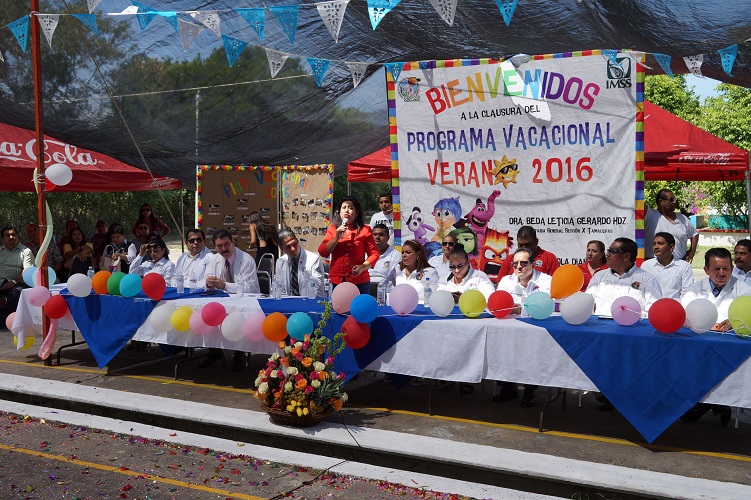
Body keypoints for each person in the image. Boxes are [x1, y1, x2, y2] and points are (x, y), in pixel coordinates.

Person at [679, 247, 749, 427]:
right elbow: (686, 312)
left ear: (732, 269)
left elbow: (746, 313)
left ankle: (715, 404)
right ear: (706, 270)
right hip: (699, 342)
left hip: (730, 345)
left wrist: (734, 320)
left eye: (726, 269)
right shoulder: (695, 288)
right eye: (716, 269)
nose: (722, 273)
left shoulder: (744, 289)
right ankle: (708, 403)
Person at [495, 248, 553, 407]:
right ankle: (507, 386)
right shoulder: (506, 280)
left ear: (533, 264)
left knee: (532, 350)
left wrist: (519, 308)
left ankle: (530, 390)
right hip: (509, 328)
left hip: (537, 328)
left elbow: (545, 304)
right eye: (515, 264)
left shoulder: (546, 280)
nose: (519, 267)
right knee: (500, 347)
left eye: (524, 263)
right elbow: (499, 304)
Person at [201, 229, 260, 370]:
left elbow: (249, 287)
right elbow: (208, 276)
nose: (223, 249)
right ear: (215, 247)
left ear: (233, 243)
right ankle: (213, 350)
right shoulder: (214, 259)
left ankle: (239, 352)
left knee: (238, 316)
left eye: (226, 244)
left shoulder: (246, 260)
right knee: (208, 312)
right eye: (219, 246)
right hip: (223, 299)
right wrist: (208, 282)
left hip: (245, 300)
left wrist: (224, 285)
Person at [318, 196, 379, 295]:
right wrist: (336, 237)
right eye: (344, 207)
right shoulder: (333, 228)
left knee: (359, 305)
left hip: (359, 281)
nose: (347, 210)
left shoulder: (365, 230)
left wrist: (362, 267)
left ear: (356, 212)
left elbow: (374, 254)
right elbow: (322, 252)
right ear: (339, 212)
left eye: (350, 208)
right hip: (337, 281)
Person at [586, 237, 663, 314]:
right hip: (601, 321)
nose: (607, 254)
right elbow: (587, 304)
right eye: (608, 250)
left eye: (612, 251)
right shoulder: (599, 276)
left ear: (626, 256)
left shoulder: (647, 279)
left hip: (635, 322)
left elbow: (654, 311)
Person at [644, 189, 699, 262]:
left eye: (675, 199)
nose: (674, 202)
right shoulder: (650, 215)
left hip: (678, 264)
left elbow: (694, 234)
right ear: (661, 202)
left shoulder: (682, 218)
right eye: (671, 200)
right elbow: (637, 201)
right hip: (653, 264)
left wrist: (692, 251)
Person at [641, 232, 694, 299]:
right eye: (654, 244)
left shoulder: (684, 267)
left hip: (675, 304)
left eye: (660, 243)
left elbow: (687, 293)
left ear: (671, 247)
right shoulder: (646, 266)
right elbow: (641, 290)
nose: (656, 247)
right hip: (652, 304)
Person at [0, 226, 34, 328]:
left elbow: (27, 271)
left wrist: (13, 282)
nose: (11, 237)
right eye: (7, 235)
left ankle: (7, 321)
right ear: (3, 239)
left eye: (13, 234)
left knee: (16, 292)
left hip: (17, 282)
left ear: (17, 236)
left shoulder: (26, 251)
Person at [275, 228, 324, 296]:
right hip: (288, 300)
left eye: (294, 244)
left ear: (297, 241)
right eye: (288, 247)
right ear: (281, 248)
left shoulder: (314, 259)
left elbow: (317, 289)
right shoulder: (280, 262)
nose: (293, 249)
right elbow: (280, 287)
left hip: (308, 300)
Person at [394, 240, 439, 304]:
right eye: (403, 252)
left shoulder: (429, 272)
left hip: (421, 308)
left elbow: (433, 297)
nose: (404, 255)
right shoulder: (397, 271)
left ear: (418, 254)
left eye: (408, 252)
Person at [370, 223, 402, 290]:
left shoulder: (396, 255)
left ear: (388, 237)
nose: (377, 237)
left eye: (381, 235)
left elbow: (396, 278)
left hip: (384, 289)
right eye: (375, 234)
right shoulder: (364, 253)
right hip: (365, 287)